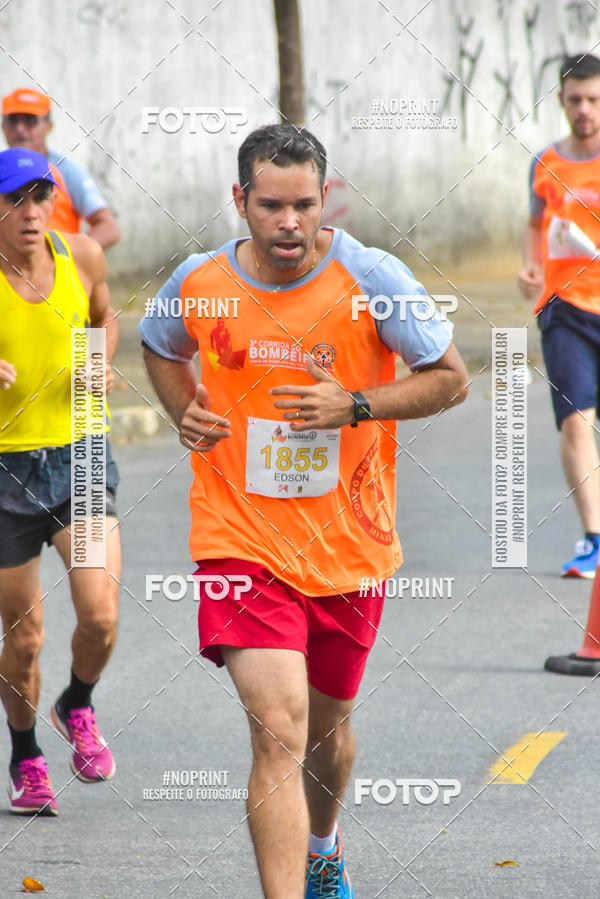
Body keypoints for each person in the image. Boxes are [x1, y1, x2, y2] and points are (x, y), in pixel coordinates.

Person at [140, 124, 468, 899]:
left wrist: (356, 404)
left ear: (326, 199)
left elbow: (450, 378)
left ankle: (325, 844)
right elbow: (159, 346)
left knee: (326, 733)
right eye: (271, 205)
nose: (290, 222)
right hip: (238, 538)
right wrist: (184, 407)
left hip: (349, 544)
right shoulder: (200, 280)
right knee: (278, 726)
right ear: (241, 201)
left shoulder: (373, 277)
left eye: (305, 205)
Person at [0, 147, 121, 816]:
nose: (30, 212)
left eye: (40, 197)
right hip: (4, 468)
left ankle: (75, 702)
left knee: (99, 614)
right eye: (15, 199)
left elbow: (105, 316)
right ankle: (25, 754)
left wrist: (100, 358)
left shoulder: (81, 257)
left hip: (79, 454)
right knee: (24, 637)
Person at [519, 52, 600, 577]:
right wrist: (529, 268)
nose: (585, 109)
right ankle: (594, 540)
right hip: (564, 309)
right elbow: (534, 226)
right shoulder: (544, 162)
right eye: (576, 100)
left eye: (595, 99)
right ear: (561, 101)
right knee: (575, 421)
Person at [2, 88, 120, 249]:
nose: (20, 129)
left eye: (30, 120)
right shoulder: (3, 170)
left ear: (48, 126)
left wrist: (66, 259)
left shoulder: (65, 172)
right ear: (3, 126)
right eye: (13, 120)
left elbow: (109, 228)